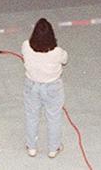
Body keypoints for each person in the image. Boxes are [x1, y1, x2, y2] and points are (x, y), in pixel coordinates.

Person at [21, 18, 68, 159]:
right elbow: (65, 60)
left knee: (32, 115)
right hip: (52, 87)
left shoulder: (25, 46)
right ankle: (53, 149)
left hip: (31, 85)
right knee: (54, 117)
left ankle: (31, 147)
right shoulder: (57, 52)